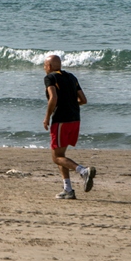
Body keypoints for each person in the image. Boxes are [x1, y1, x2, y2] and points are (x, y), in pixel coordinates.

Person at [43, 54, 95, 199]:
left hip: (61, 120)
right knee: (60, 155)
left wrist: (47, 117)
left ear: (50, 67)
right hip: (75, 119)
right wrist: (71, 104)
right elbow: (83, 100)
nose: (44, 68)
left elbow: (53, 98)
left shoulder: (50, 78)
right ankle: (68, 189)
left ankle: (83, 171)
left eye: (44, 65)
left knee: (56, 157)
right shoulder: (72, 77)